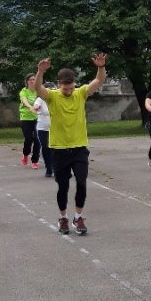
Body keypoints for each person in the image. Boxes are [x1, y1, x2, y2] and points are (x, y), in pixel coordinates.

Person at [33, 53, 107, 235]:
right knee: (63, 186)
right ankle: (63, 218)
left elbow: (98, 81)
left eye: (71, 88)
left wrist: (100, 67)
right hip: (58, 149)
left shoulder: (80, 93)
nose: (68, 91)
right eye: (65, 89)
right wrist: (40, 71)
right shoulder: (52, 96)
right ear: (59, 85)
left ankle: (77, 217)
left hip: (79, 147)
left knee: (81, 183)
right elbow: (38, 89)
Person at [18, 74, 41, 169]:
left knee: (37, 140)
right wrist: (30, 107)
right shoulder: (24, 91)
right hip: (25, 119)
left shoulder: (38, 91)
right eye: (31, 80)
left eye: (34, 79)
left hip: (37, 119)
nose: (33, 81)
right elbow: (24, 101)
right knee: (29, 139)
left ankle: (35, 161)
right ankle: (25, 154)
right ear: (27, 81)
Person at [33, 86, 53, 178]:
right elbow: (35, 106)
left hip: (54, 128)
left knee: (55, 148)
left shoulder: (54, 99)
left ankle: (57, 167)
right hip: (42, 128)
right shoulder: (40, 99)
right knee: (45, 147)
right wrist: (36, 108)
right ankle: (49, 168)